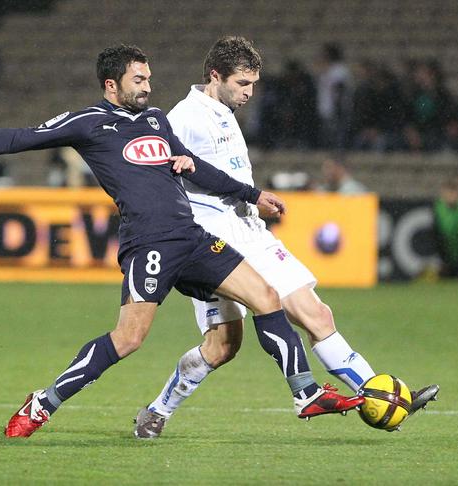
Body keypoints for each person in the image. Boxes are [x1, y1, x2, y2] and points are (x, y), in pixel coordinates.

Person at [0, 44, 364, 439]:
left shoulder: (155, 119)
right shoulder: (88, 122)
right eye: (139, 78)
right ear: (112, 84)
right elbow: (17, 138)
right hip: (148, 243)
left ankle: (304, 393)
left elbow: (191, 167)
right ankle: (43, 402)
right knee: (128, 339)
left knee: (266, 296)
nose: (148, 85)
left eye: (149, 77)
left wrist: (252, 194)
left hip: (191, 236)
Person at [133, 37, 439, 439]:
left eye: (253, 84)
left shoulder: (223, 111)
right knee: (223, 346)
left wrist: (251, 202)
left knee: (317, 314)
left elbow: (223, 176)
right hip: (212, 238)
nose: (249, 93)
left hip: (249, 229)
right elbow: (165, 176)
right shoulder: (185, 116)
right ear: (215, 76)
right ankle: (158, 411)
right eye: (243, 83)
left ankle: (381, 395)